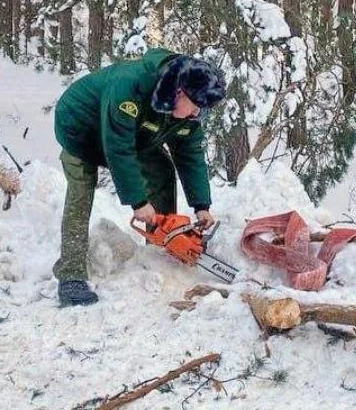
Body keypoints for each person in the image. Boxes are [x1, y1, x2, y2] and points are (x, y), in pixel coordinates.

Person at [51, 48, 227, 307]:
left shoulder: (184, 106)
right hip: (80, 125)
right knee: (81, 187)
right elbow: (118, 148)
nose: (196, 114)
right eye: (196, 107)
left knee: (161, 170)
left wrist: (202, 205)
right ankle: (71, 275)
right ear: (179, 92)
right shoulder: (131, 86)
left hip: (131, 133)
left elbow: (190, 152)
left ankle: (160, 247)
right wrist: (138, 201)